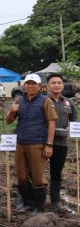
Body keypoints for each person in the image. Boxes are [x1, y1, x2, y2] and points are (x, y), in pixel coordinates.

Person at [6, 73, 56, 214]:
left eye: (34, 84)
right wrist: (11, 111)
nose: (30, 86)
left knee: (38, 176)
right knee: (21, 176)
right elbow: (9, 120)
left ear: (40, 86)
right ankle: (28, 202)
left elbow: (52, 123)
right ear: (24, 85)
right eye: (28, 83)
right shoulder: (19, 101)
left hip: (37, 143)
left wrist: (49, 145)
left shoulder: (45, 101)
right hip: (20, 142)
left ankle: (39, 208)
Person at [45, 73, 76, 214]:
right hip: (43, 142)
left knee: (56, 173)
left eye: (59, 83)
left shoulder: (69, 103)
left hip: (62, 143)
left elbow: (75, 122)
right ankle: (35, 199)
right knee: (37, 171)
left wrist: (72, 129)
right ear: (47, 86)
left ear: (63, 85)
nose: (57, 85)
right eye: (53, 83)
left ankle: (55, 201)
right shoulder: (43, 101)